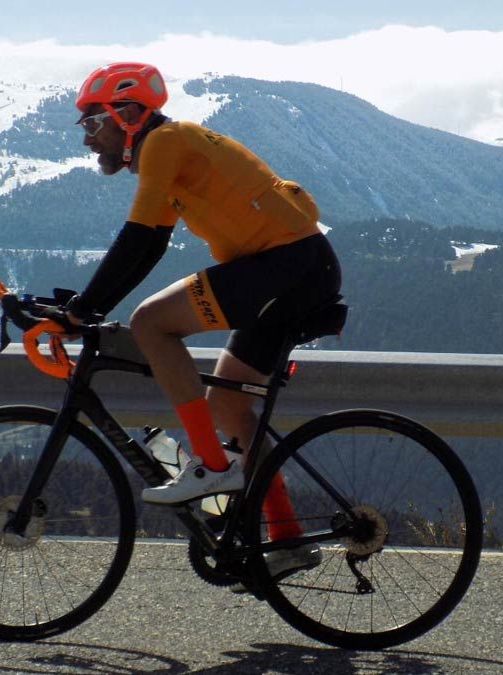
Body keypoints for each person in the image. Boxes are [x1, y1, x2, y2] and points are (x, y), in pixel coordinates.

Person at [63, 62, 341, 581]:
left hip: (285, 266)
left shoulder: (165, 143)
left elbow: (139, 238)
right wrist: (88, 305)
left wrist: (83, 309)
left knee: (150, 324)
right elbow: (151, 244)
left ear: (126, 115)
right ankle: (286, 537)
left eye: (91, 123)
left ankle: (212, 469)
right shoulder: (170, 150)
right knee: (228, 403)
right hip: (297, 267)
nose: (87, 140)